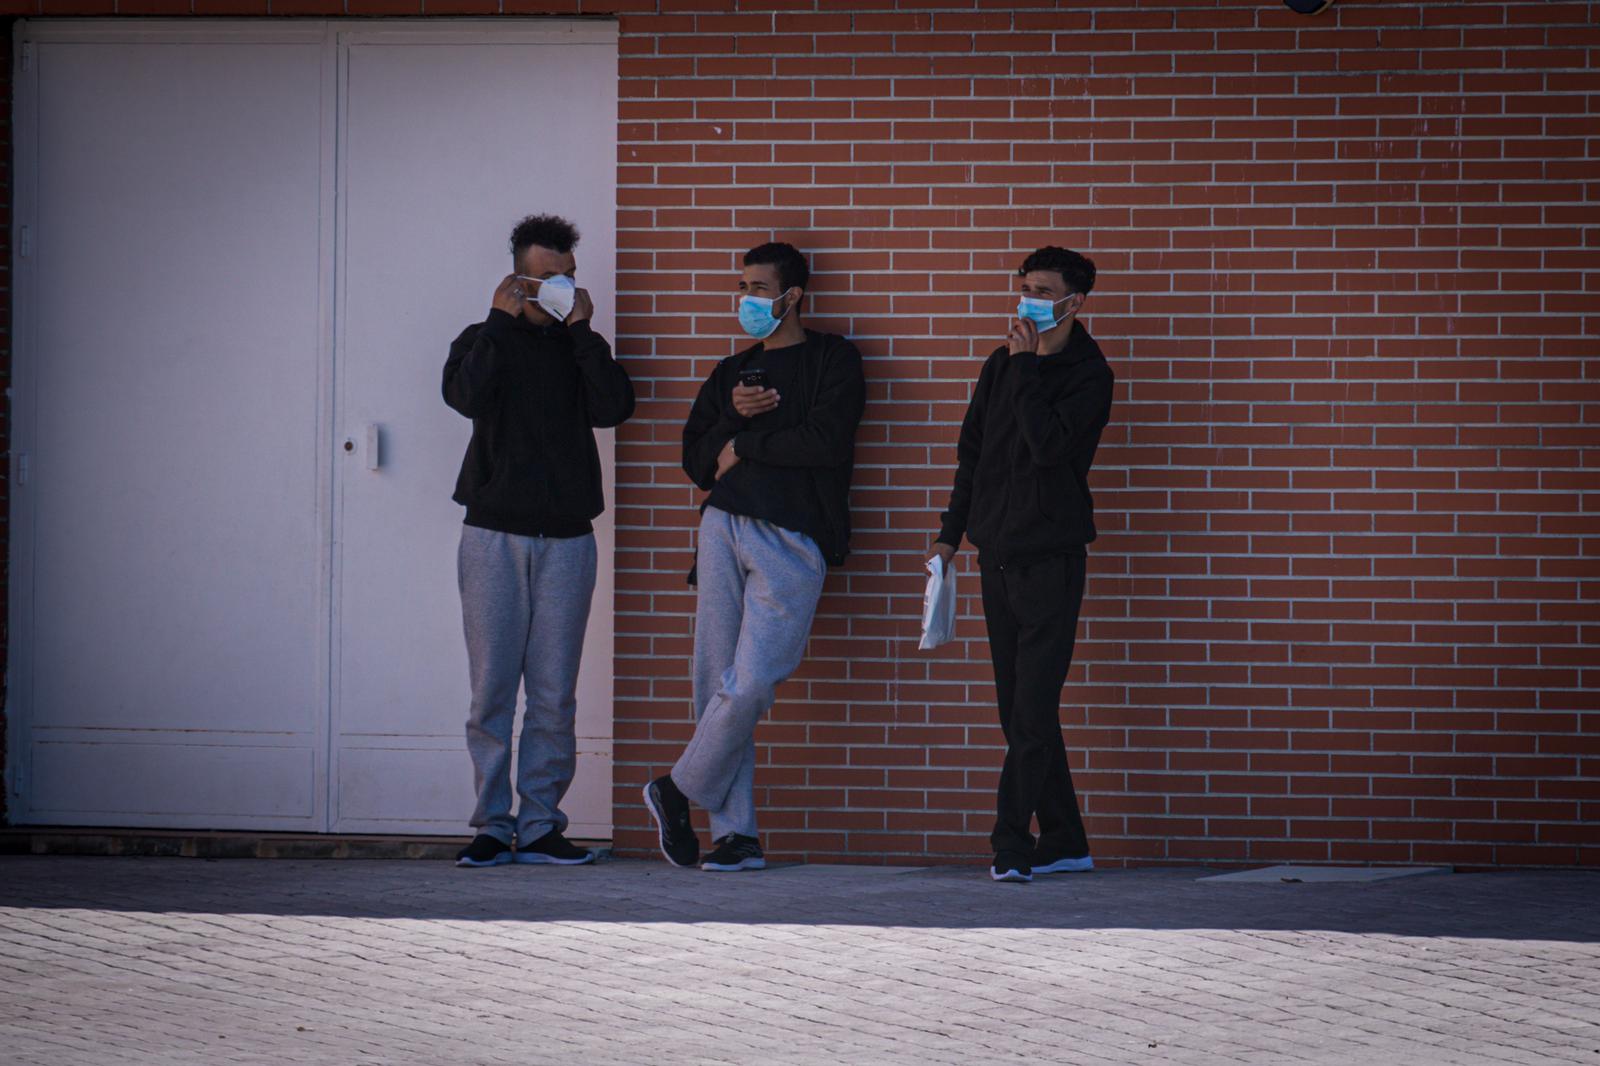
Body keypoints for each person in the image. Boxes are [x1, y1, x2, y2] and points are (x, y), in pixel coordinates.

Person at [643, 241, 865, 873]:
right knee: (715, 680)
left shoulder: (833, 359)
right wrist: (732, 432)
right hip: (721, 528)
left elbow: (827, 441)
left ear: (793, 296)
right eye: (742, 287)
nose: (747, 300)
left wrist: (745, 443)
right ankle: (735, 835)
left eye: (759, 289)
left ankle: (676, 788)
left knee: (754, 679)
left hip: (793, 533)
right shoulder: (732, 372)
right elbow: (696, 460)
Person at [442, 214, 635, 868]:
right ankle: (493, 826)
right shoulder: (481, 339)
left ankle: (544, 823)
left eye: (566, 276)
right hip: (493, 536)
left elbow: (614, 407)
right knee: (493, 689)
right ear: (517, 277)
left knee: (554, 691)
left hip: (568, 541)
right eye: (544, 276)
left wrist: (581, 333)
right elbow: (463, 395)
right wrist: (499, 322)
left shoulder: (581, 347)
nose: (557, 286)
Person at [931, 246, 1115, 884]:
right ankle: (1064, 840)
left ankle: (1012, 844)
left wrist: (1031, 368)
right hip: (996, 557)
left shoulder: (1090, 374)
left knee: (1032, 712)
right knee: (1019, 711)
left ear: (1074, 302)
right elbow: (972, 454)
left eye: (1042, 290)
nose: (1028, 300)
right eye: (1023, 287)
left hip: (1051, 560)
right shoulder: (1000, 363)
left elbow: (1049, 450)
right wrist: (950, 536)